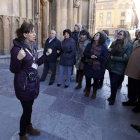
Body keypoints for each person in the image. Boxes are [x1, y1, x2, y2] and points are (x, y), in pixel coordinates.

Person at [10, 22, 52, 140]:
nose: (35, 34)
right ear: (24, 34)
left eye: (34, 32)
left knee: (29, 108)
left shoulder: (32, 46)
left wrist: (46, 55)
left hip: (33, 83)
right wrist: (18, 59)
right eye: (32, 32)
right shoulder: (16, 49)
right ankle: (22, 135)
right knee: (26, 110)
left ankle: (29, 127)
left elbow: (35, 64)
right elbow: (13, 69)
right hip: (23, 84)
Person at [106, 30, 133, 105]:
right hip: (111, 66)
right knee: (112, 83)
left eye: (120, 34)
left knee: (114, 82)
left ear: (125, 36)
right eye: (118, 34)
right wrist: (109, 50)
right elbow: (110, 52)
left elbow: (127, 58)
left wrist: (114, 57)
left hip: (120, 68)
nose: (118, 35)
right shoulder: (114, 43)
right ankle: (112, 96)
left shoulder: (129, 45)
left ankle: (112, 98)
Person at [83, 32, 108, 99]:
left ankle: (94, 92)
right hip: (89, 65)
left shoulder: (103, 47)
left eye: (97, 35)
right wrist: (91, 55)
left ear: (100, 38)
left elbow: (105, 58)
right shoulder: (90, 44)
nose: (95, 36)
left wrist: (96, 57)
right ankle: (88, 90)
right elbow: (85, 53)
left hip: (98, 67)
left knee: (96, 80)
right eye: (95, 35)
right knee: (87, 79)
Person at [122, 33, 140, 113]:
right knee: (132, 86)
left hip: (138, 70)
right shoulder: (136, 42)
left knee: (138, 88)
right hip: (133, 69)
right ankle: (131, 100)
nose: (138, 35)